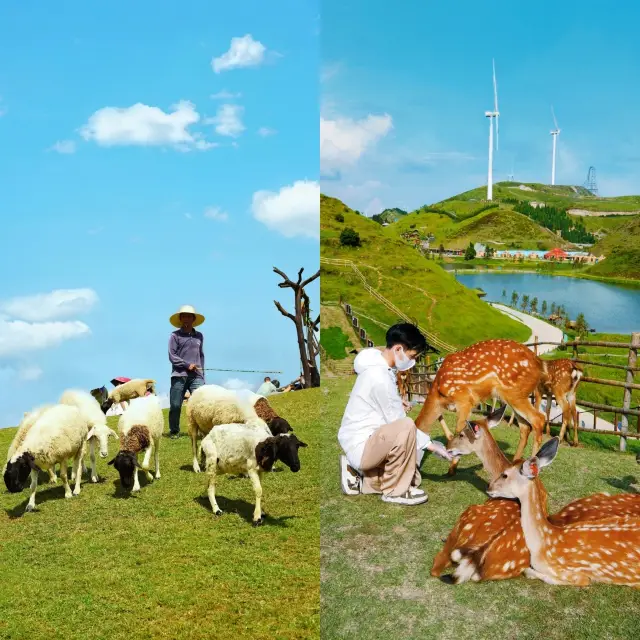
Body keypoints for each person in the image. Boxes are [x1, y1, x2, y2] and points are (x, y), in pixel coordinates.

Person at [338, 323, 453, 506]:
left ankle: (360, 476)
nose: (412, 361)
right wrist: (433, 446)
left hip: (370, 438)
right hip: (363, 444)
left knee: (413, 473)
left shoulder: (378, 367)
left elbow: (381, 404)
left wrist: (397, 402)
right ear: (398, 348)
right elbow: (398, 420)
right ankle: (394, 491)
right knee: (406, 427)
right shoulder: (379, 376)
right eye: (412, 356)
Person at [168, 304, 206, 439]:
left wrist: (202, 374)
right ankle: (174, 431)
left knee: (201, 404)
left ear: (193, 319)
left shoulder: (199, 336)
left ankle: (201, 430)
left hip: (197, 376)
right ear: (180, 318)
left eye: (189, 316)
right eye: (183, 316)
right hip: (179, 375)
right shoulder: (174, 336)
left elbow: (201, 355)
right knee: (175, 405)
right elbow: (172, 355)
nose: (186, 318)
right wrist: (186, 365)